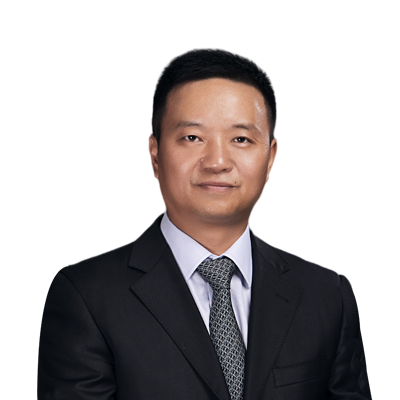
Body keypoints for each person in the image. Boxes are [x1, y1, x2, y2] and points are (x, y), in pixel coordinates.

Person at [38, 48, 370, 400]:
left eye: (241, 139)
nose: (217, 162)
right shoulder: (82, 297)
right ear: (154, 153)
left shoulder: (327, 295)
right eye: (192, 137)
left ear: (271, 157)